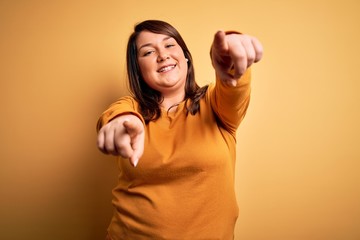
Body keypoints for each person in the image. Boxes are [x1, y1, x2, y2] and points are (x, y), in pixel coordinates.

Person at [96, 19, 263, 240]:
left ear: (185, 55)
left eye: (169, 45)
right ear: (138, 70)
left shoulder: (215, 104)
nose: (162, 55)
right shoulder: (130, 108)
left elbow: (233, 85)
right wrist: (121, 122)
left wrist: (230, 50)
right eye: (147, 52)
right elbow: (116, 115)